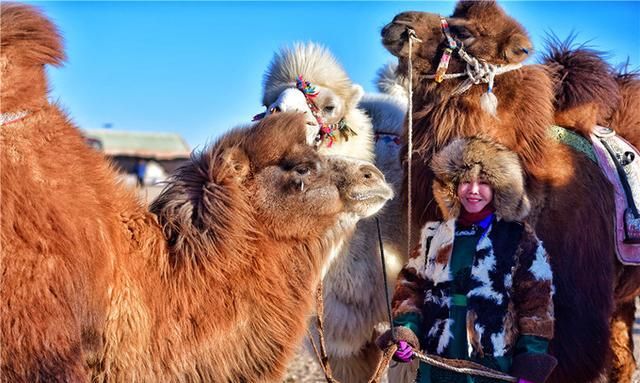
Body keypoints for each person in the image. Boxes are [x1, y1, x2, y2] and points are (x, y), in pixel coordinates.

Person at [378, 137, 556, 383]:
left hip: (493, 362)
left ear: (498, 189)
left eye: (483, 183)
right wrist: (407, 332)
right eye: (465, 182)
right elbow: (410, 290)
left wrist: (530, 361)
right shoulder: (435, 237)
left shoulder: (520, 239)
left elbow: (536, 306)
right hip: (437, 357)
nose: (473, 191)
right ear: (452, 187)